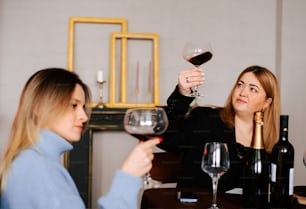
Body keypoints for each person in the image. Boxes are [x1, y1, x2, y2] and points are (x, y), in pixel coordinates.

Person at [0, 68, 161, 209]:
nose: (84, 116)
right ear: (39, 108)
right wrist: (128, 176)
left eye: (83, 107)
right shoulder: (38, 168)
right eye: (73, 105)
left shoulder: (32, 159)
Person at [158, 65, 280, 191]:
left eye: (253, 89)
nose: (243, 92)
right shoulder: (206, 119)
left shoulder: (273, 146)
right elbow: (165, 136)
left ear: (267, 103)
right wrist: (182, 94)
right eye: (240, 85)